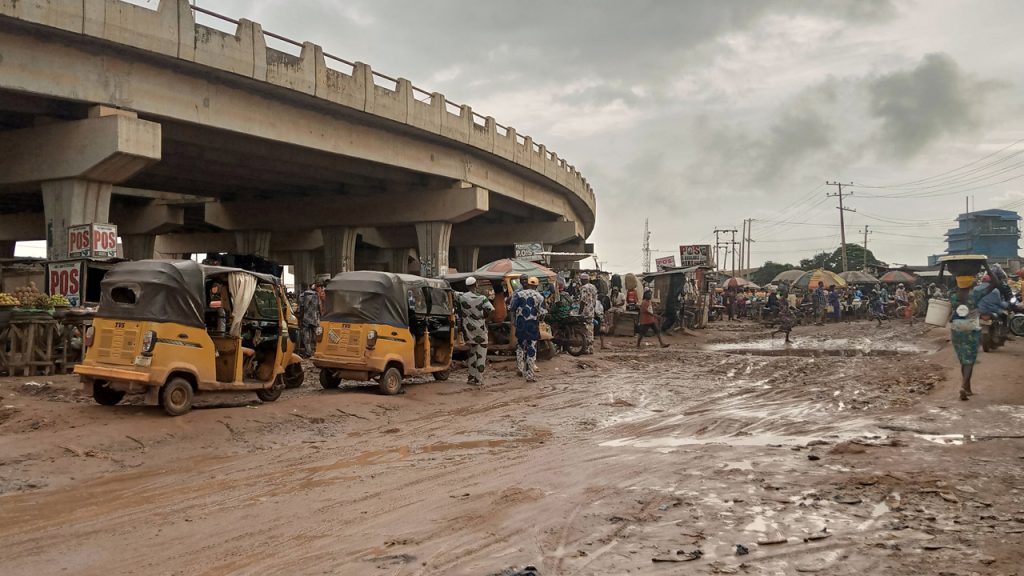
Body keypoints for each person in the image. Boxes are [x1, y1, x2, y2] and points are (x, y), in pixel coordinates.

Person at [455, 277, 494, 386]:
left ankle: (471, 377)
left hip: (468, 329)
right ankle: (479, 379)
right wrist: (486, 320)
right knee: (481, 354)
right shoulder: (482, 298)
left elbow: (451, 292)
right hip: (480, 328)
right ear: (476, 285)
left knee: (472, 353)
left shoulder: (461, 297)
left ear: (467, 286)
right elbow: (491, 310)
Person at [508, 276, 546, 382]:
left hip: (520, 325)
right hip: (532, 326)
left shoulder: (519, 294)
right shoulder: (540, 296)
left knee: (520, 346)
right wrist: (539, 319)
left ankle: (520, 368)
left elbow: (512, 308)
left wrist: (513, 321)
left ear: (528, 284)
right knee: (531, 348)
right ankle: (530, 375)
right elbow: (543, 313)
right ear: (536, 285)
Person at [297, 283, 321, 357]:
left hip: (305, 318)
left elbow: (301, 309)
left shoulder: (302, 296)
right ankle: (318, 350)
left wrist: (300, 319)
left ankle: (308, 351)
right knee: (318, 334)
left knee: (306, 335)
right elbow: (319, 307)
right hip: (314, 318)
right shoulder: (316, 295)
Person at [578, 273, 598, 354]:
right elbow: (595, 300)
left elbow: (583, 301)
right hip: (591, 310)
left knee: (585, 330)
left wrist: (579, 312)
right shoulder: (593, 287)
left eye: (581, 280)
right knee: (590, 329)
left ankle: (586, 349)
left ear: (583, 280)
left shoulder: (584, 288)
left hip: (585, 311)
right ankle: (590, 348)